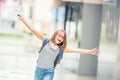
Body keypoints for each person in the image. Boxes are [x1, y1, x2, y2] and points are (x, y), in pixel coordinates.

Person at [18, 15, 99, 80]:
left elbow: (76, 50)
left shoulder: (61, 49)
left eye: (63, 37)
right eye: (59, 35)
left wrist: (89, 51)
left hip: (49, 72)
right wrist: (23, 20)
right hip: (38, 70)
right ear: (55, 35)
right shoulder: (46, 41)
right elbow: (33, 30)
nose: (60, 38)